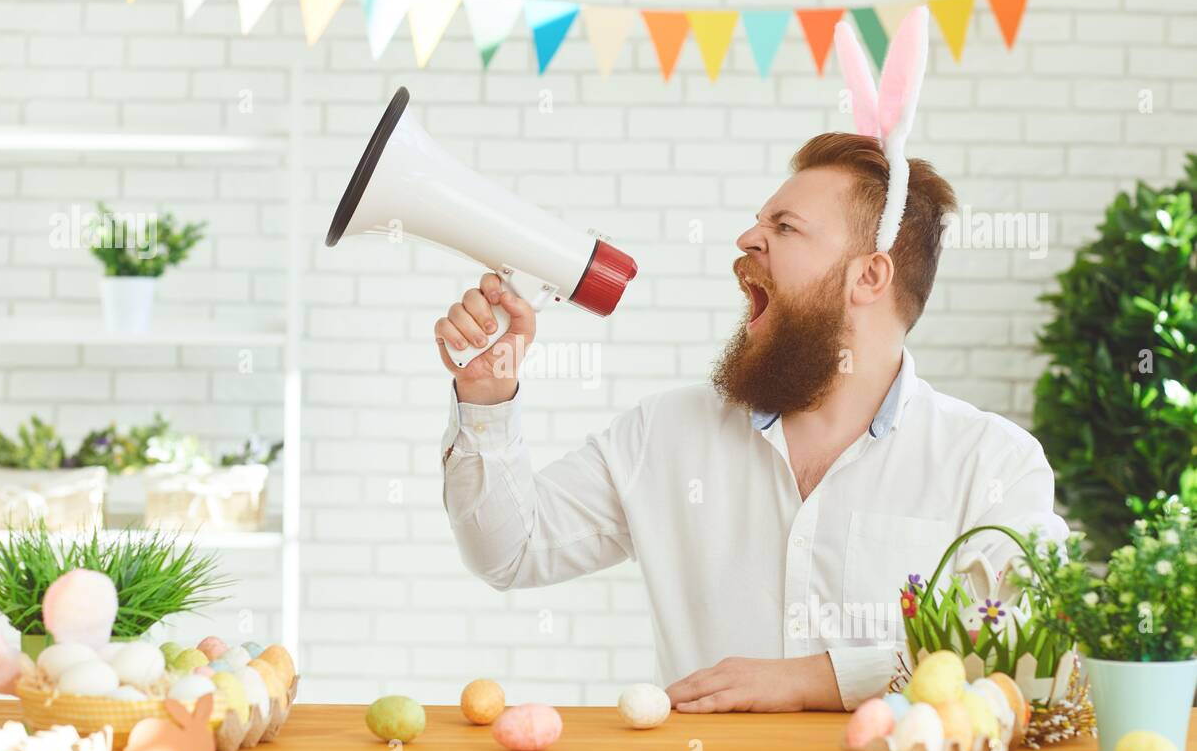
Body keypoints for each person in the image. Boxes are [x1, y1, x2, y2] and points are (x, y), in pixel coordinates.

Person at [435, 132, 1067, 713]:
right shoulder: (665, 434)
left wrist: (807, 680)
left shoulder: (993, 463)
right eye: (759, 220)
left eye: (785, 227)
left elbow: (1014, 656)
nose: (748, 239)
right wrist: (486, 396)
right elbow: (509, 551)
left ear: (870, 275)